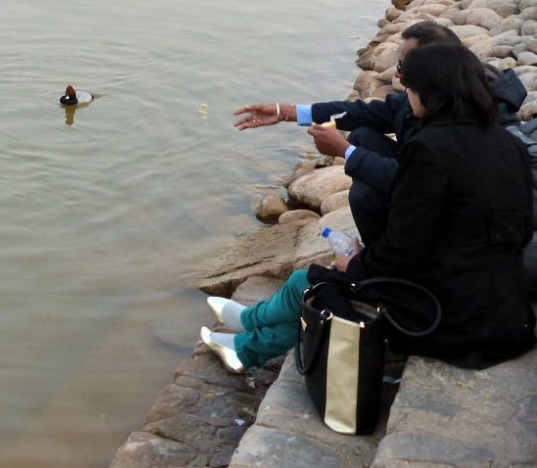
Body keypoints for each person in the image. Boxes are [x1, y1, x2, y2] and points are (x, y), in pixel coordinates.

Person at [205, 43, 535, 373]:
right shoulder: (507, 143)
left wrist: (357, 263)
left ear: (429, 92)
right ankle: (248, 329)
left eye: (409, 86)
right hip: (504, 310)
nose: (406, 93)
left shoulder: (430, 150)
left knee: (313, 284)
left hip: (450, 315)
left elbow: (403, 248)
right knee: (328, 282)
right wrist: (289, 111)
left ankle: (247, 342)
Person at [233, 21, 526, 245]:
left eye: (404, 66)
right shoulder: (437, 95)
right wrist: (287, 112)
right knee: (363, 134)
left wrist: (345, 152)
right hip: (427, 190)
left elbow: (418, 181)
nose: (397, 75)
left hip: (456, 221)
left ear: (432, 66)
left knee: (363, 193)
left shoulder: (470, 119)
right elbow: (368, 112)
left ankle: (383, 255)